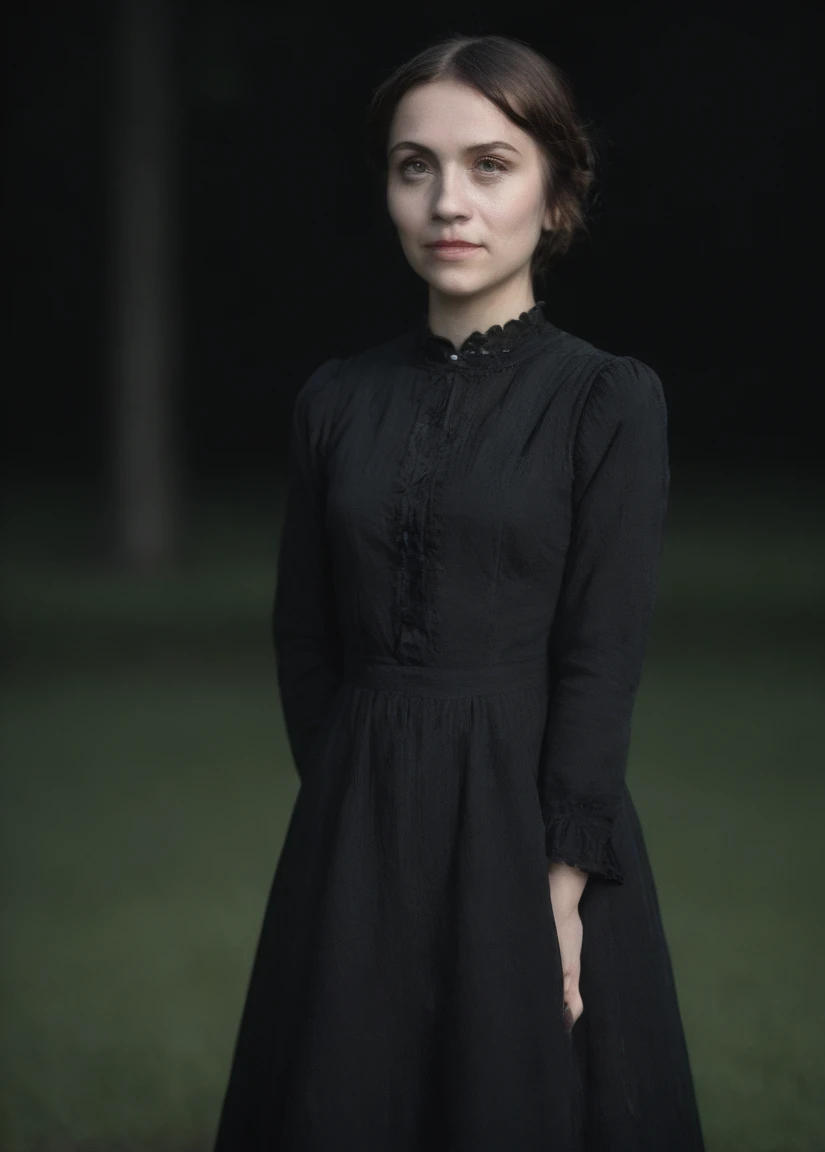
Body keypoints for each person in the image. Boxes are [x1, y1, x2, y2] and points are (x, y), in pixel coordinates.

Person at [212, 32, 705, 1152]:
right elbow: (304, 635)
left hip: (530, 824)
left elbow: (599, 651)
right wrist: (352, 795)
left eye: (489, 164)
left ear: (554, 191)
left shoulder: (605, 400)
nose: (449, 200)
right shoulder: (334, 400)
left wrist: (562, 886)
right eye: (413, 165)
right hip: (357, 823)